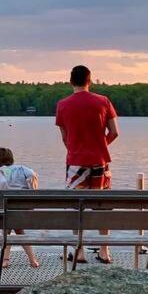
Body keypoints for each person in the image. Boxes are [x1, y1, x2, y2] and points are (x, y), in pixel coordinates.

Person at [55, 65, 119, 264]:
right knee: (102, 207)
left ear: (71, 81)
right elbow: (114, 132)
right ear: (89, 81)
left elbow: (65, 137)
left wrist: (75, 148)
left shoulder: (63, 105)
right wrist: (100, 145)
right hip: (100, 162)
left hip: (76, 163)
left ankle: (79, 250)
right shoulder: (103, 101)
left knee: (77, 207)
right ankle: (104, 250)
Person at [0, 147, 41, 268]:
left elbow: (2, 184)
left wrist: (5, 190)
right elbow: (33, 175)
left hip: (8, 208)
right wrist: (31, 191)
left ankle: (6, 260)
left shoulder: (0, 171)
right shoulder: (23, 169)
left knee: (7, 231)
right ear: (12, 159)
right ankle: (31, 259)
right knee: (18, 230)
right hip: (23, 209)